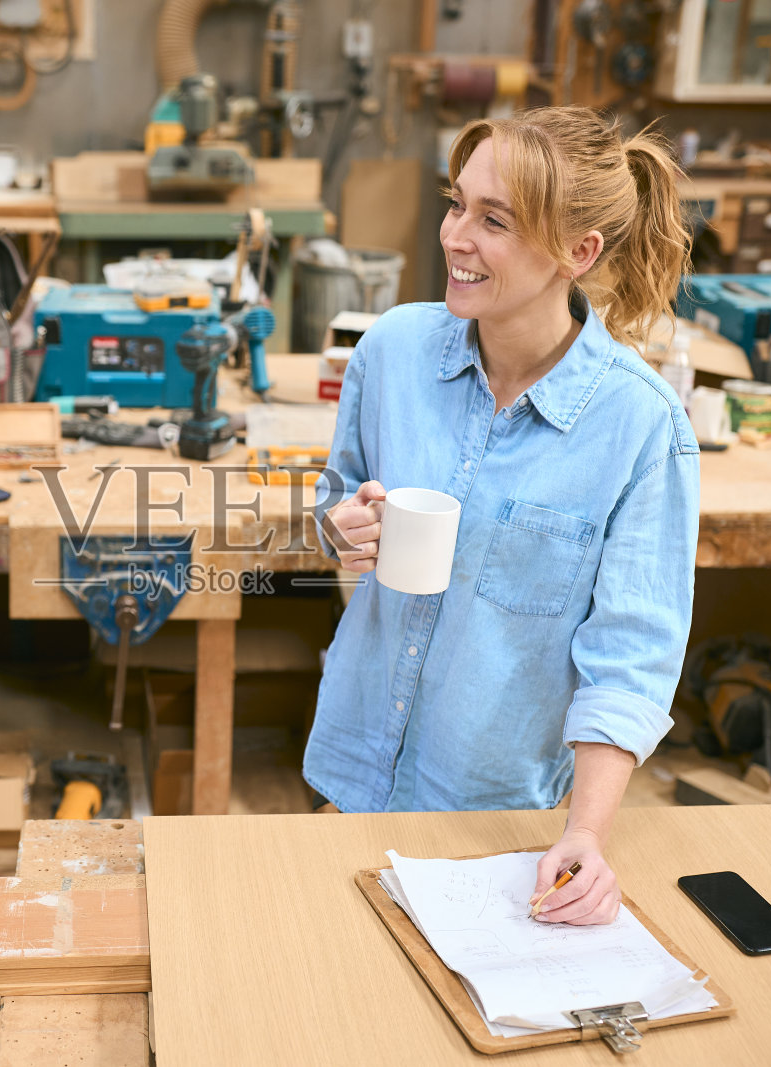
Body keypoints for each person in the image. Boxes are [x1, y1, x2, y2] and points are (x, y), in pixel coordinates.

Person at [308, 107, 698, 927]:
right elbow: (333, 498)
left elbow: (630, 659)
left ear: (578, 253)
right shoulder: (393, 350)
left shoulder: (638, 427)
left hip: (491, 817)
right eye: (457, 205)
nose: (456, 236)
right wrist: (341, 530)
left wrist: (586, 834)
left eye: (494, 220)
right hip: (353, 769)